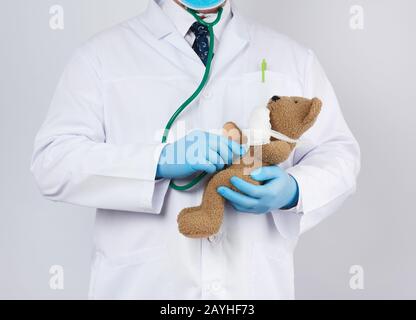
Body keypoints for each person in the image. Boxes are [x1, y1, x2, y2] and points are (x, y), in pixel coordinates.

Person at [31, 0, 360, 299]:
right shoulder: (100, 57)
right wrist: (155, 162)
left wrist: (295, 190)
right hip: (144, 289)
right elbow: (53, 162)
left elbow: (339, 153)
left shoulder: (291, 57)